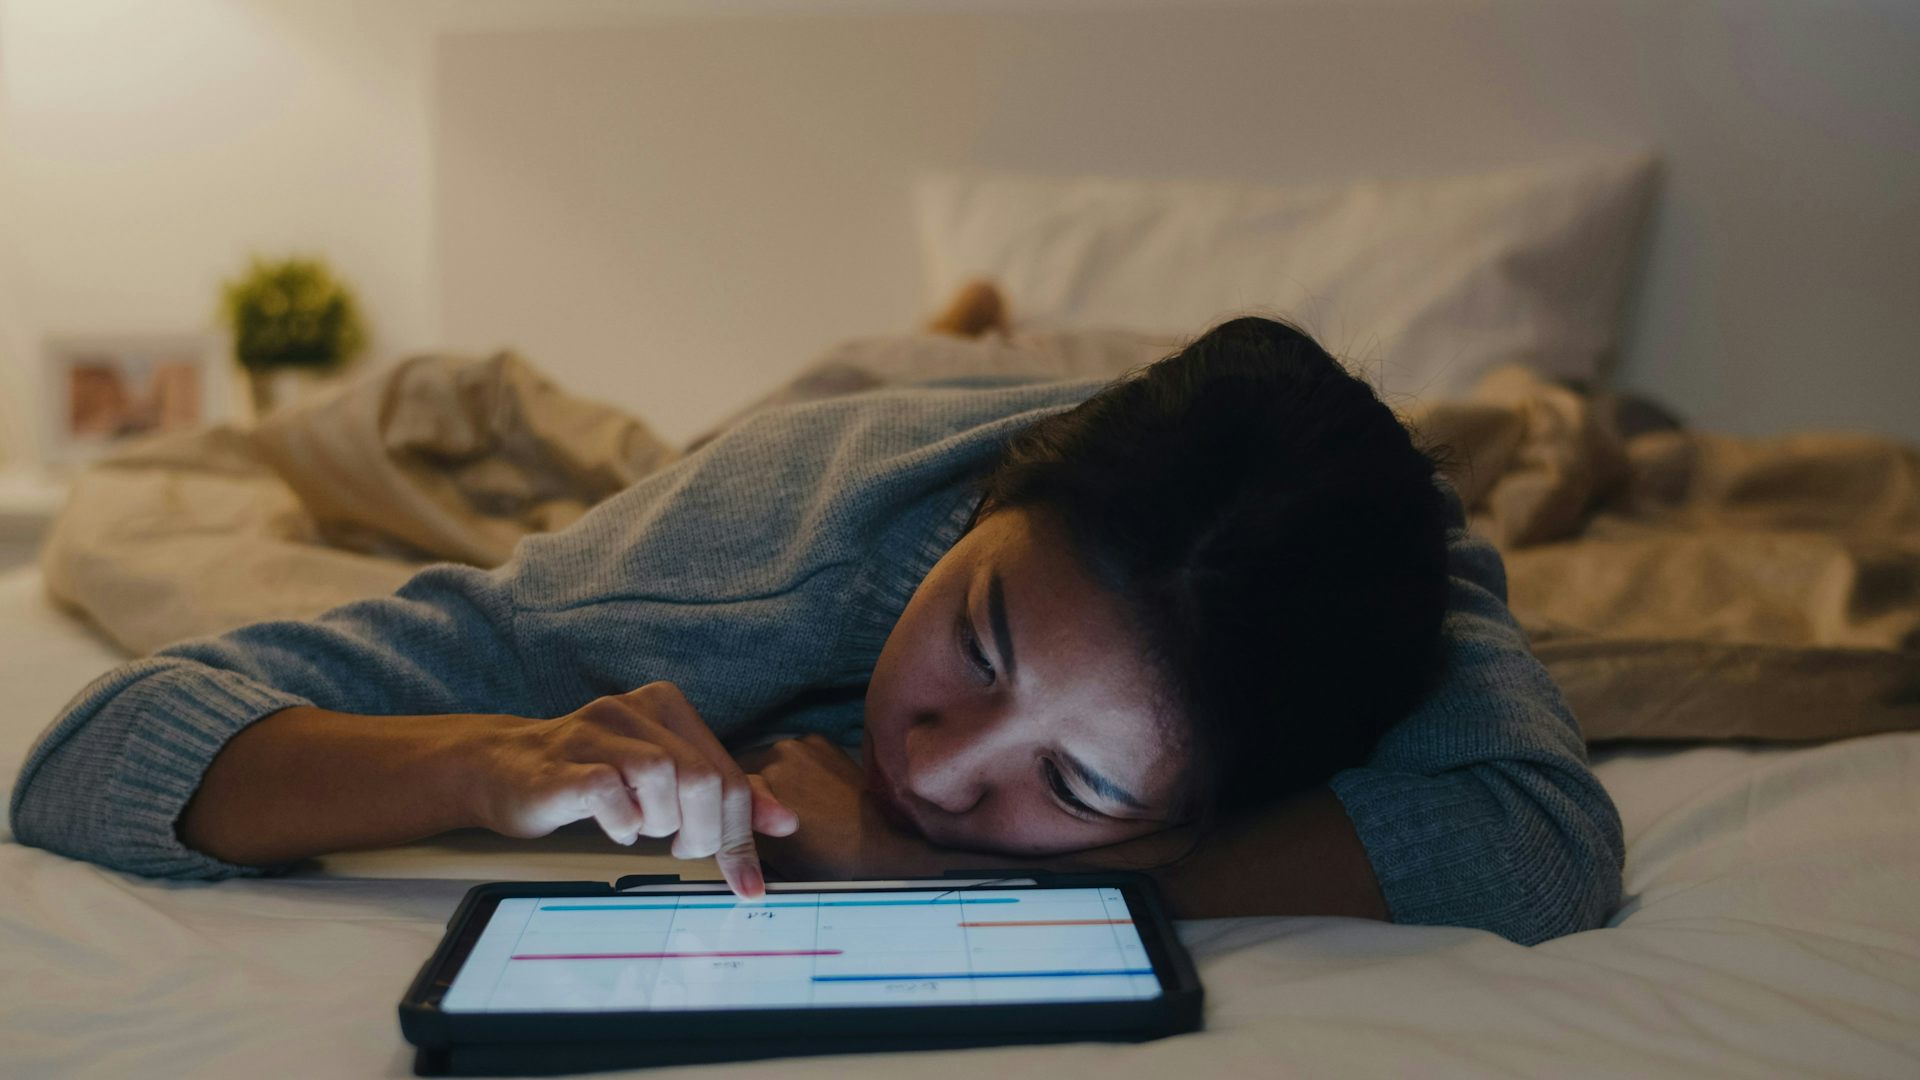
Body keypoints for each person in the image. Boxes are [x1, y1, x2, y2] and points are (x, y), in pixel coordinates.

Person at [8, 313, 1624, 945]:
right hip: (885, 404)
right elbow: (88, 758)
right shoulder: (739, 563)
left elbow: (1543, 837)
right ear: (990, 506)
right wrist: (494, 760)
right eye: (976, 644)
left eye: (1080, 788)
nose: (941, 758)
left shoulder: (1387, 607)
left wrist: (957, 877)